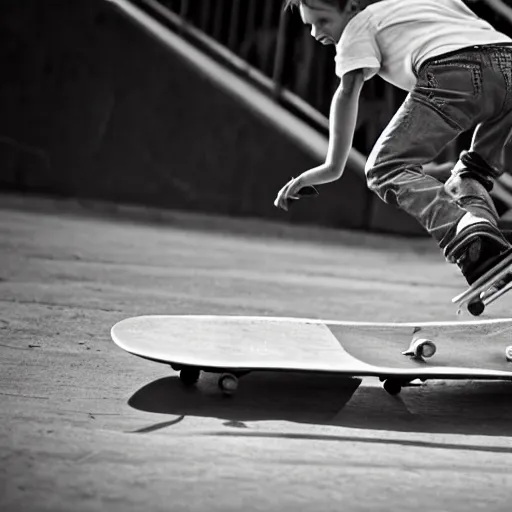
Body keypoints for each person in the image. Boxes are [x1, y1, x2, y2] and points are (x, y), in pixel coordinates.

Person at [274, 0, 512, 287]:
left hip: (455, 72)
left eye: (323, 21)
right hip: (508, 59)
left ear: (351, 6)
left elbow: (348, 91)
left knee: (384, 168)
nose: (315, 33)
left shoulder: (359, 23)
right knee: (474, 171)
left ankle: (464, 228)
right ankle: (486, 252)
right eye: (309, 25)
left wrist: (331, 167)